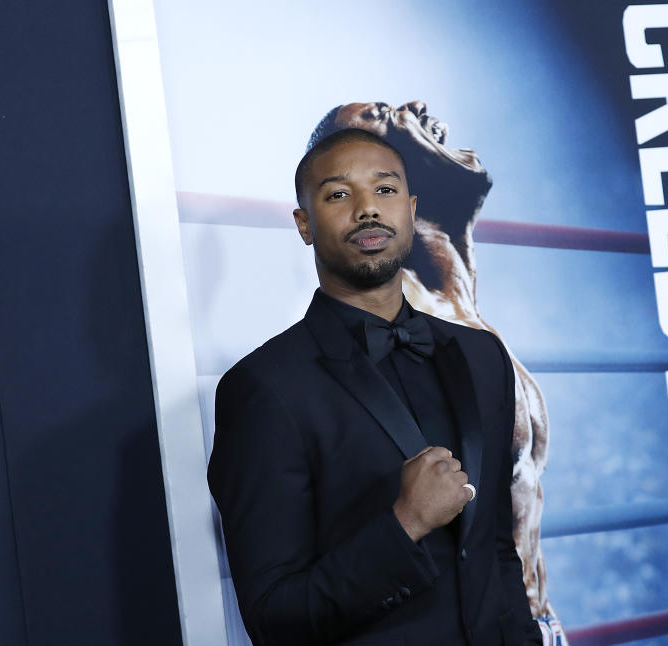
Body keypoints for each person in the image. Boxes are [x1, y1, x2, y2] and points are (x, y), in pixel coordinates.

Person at [208, 127, 544, 645]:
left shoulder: (481, 354)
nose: (367, 209)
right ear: (304, 223)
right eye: (339, 194)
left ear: (411, 210)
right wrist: (405, 523)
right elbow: (275, 617)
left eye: (384, 190)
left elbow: (497, 548)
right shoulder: (263, 388)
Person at [307, 102, 562, 641]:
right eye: (383, 115)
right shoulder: (393, 330)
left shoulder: (461, 307)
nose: (409, 110)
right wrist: (406, 133)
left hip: (536, 623)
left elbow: (471, 180)